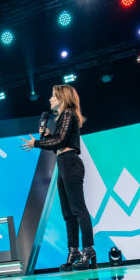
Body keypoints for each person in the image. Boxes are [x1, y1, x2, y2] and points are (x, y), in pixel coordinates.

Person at [21, 85, 95, 270]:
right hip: (63, 162)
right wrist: (48, 137)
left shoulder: (68, 113)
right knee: (68, 213)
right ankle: (73, 251)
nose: (50, 99)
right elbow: (59, 142)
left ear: (63, 98)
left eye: (53, 96)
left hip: (69, 162)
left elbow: (61, 141)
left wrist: (37, 143)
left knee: (78, 209)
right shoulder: (63, 117)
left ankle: (88, 250)